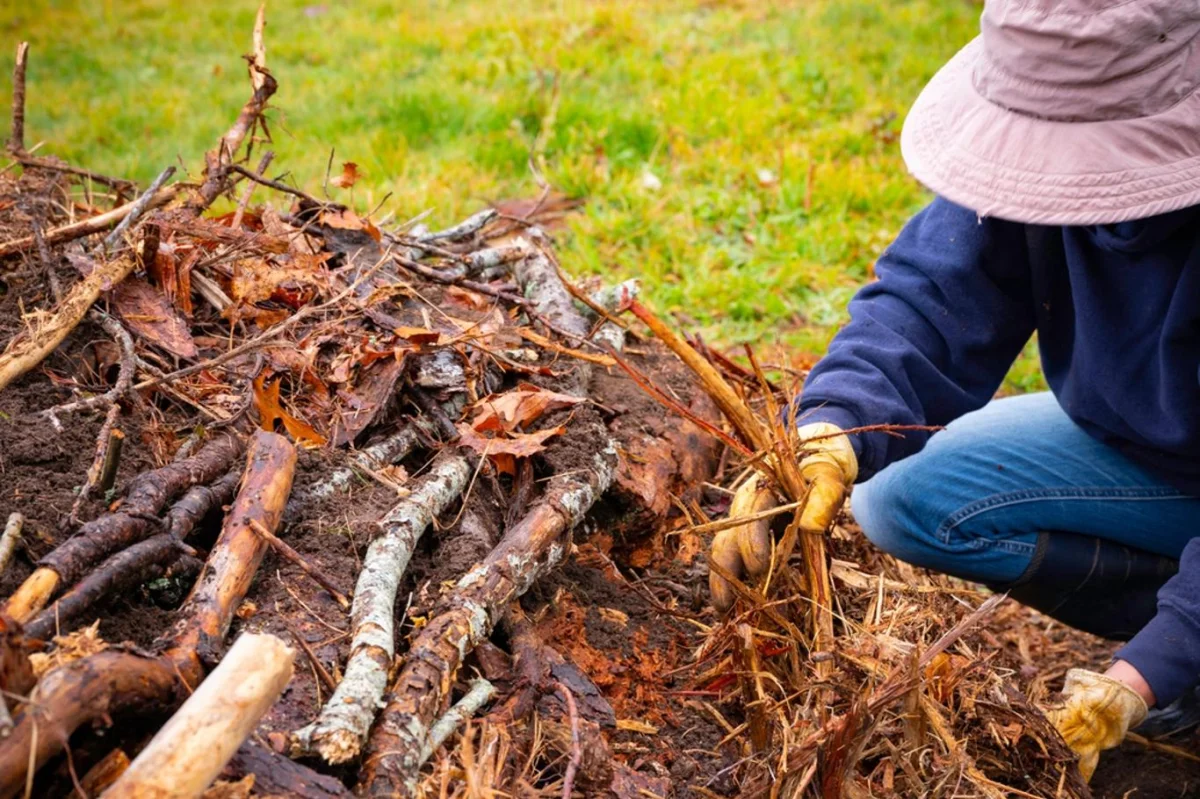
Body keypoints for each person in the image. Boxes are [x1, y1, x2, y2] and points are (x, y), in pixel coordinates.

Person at [708, 0, 1200, 782]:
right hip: (1154, 454)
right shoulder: (1049, 140)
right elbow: (934, 292)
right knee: (902, 496)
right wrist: (831, 424)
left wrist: (1147, 671)